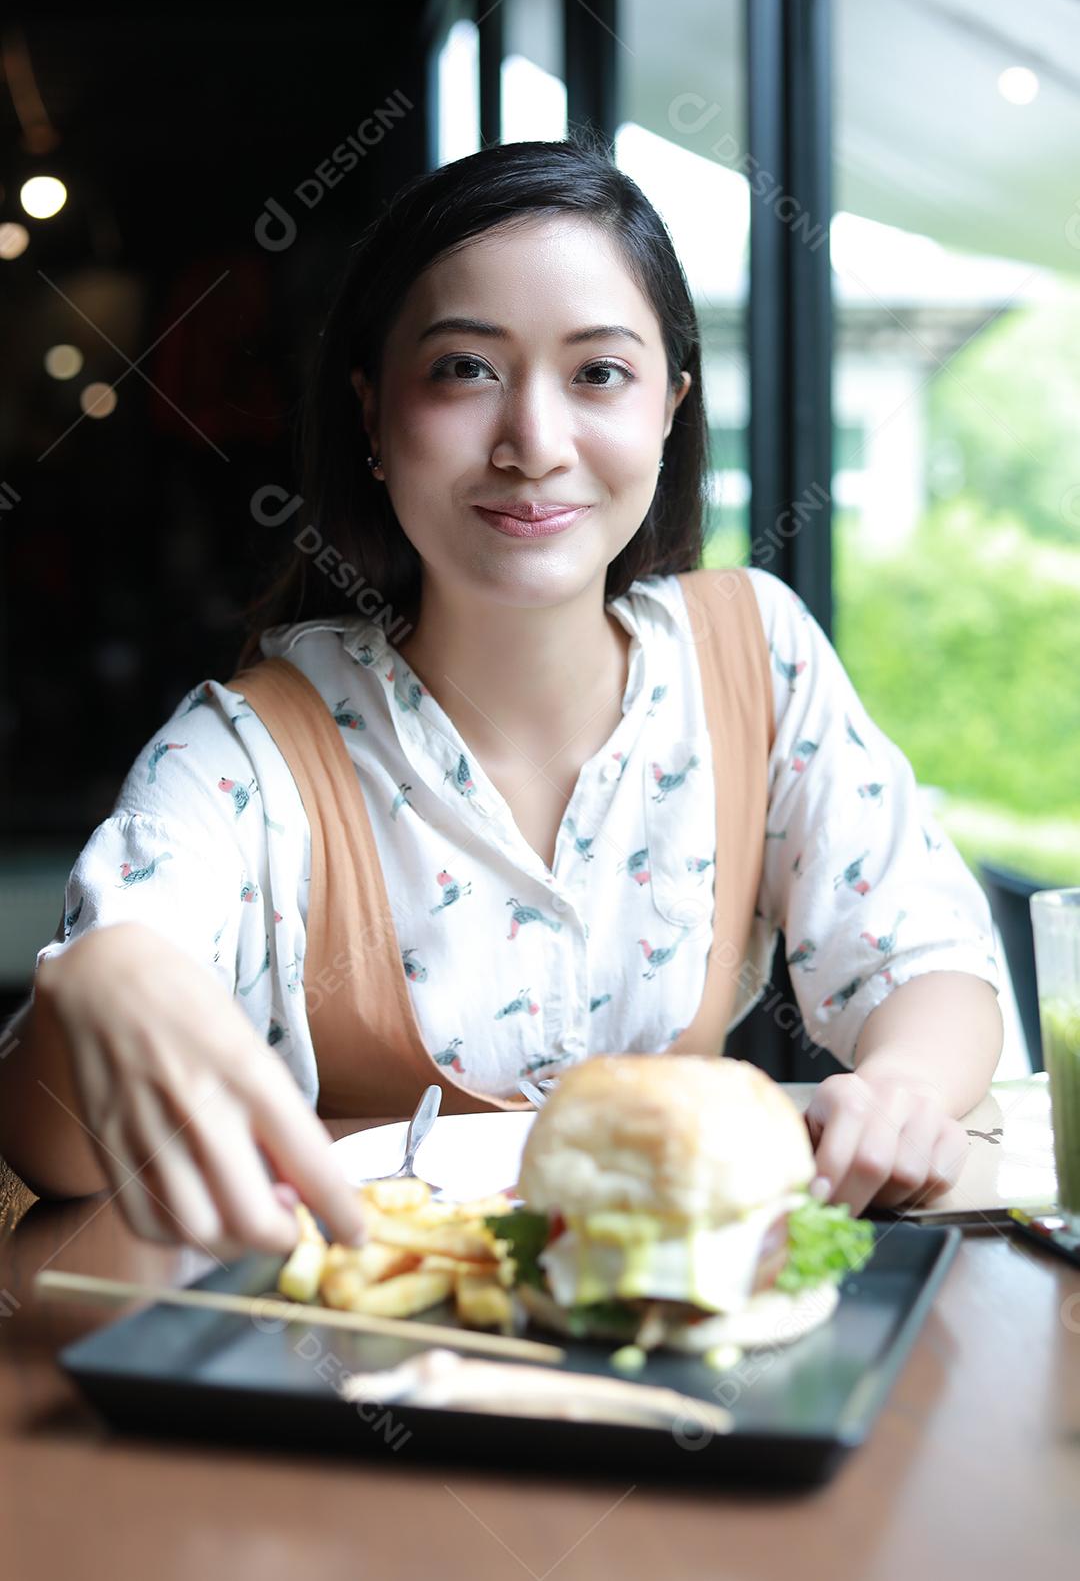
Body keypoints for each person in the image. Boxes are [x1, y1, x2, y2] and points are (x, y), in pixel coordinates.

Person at [0, 135, 1002, 1254]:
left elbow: (928, 962)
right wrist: (99, 980)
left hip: (672, 1347)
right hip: (356, 1370)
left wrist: (905, 1084)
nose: (533, 442)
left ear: (669, 409)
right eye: (466, 369)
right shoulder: (250, 750)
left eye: (598, 374)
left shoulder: (754, 653)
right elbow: (56, 1148)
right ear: (373, 414)